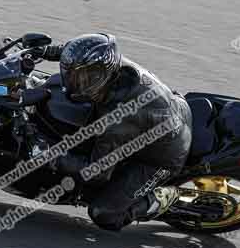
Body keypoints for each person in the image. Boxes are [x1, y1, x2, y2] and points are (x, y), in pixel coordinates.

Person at [40, 33, 193, 231]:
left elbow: (96, 173)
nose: (74, 81)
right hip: (166, 111)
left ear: (101, 75)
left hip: (161, 157)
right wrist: (45, 51)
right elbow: (77, 53)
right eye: (75, 75)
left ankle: (165, 199)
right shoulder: (108, 63)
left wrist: (50, 156)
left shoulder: (119, 121)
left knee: (104, 214)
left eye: (84, 78)